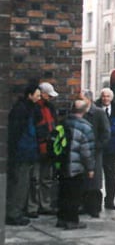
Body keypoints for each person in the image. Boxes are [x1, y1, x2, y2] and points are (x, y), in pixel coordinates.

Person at [56, 97, 96, 230]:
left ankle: (61, 218)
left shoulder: (64, 122)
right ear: (85, 110)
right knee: (74, 195)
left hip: (62, 164)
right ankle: (72, 220)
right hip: (76, 166)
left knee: (63, 192)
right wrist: (90, 168)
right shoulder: (86, 127)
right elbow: (87, 151)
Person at [6, 82, 42, 226]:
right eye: (37, 95)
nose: (39, 98)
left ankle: (15, 212)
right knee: (20, 185)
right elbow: (17, 133)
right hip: (23, 153)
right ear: (30, 95)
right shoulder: (22, 110)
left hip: (26, 152)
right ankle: (14, 214)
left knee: (22, 184)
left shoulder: (27, 108)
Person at [33, 82, 60, 215]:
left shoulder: (50, 108)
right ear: (42, 94)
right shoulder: (35, 109)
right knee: (36, 179)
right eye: (49, 95)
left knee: (46, 178)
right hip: (38, 146)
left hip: (48, 147)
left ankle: (45, 204)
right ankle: (35, 206)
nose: (50, 98)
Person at [82, 94, 110, 217]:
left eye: (82, 98)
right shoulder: (79, 112)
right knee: (84, 179)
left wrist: (98, 146)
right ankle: (84, 205)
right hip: (82, 151)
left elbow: (106, 132)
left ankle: (94, 208)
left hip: (95, 151)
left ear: (89, 99)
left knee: (94, 180)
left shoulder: (98, 113)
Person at [95, 87, 115, 210]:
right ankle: (95, 202)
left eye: (108, 96)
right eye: (104, 96)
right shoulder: (95, 109)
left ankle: (110, 201)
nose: (105, 98)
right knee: (96, 176)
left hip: (111, 149)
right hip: (98, 148)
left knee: (110, 176)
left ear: (112, 98)